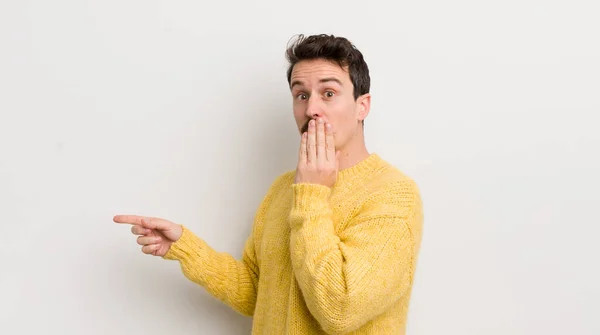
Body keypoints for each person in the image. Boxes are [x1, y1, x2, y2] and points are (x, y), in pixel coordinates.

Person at [114, 34, 423, 334]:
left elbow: (340, 309)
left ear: (362, 106)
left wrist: (312, 193)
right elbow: (257, 294)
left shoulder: (394, 195)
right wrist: (184, 247)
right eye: (301, 95)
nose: (311, 109)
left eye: (328, 93)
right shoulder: (284, 188)